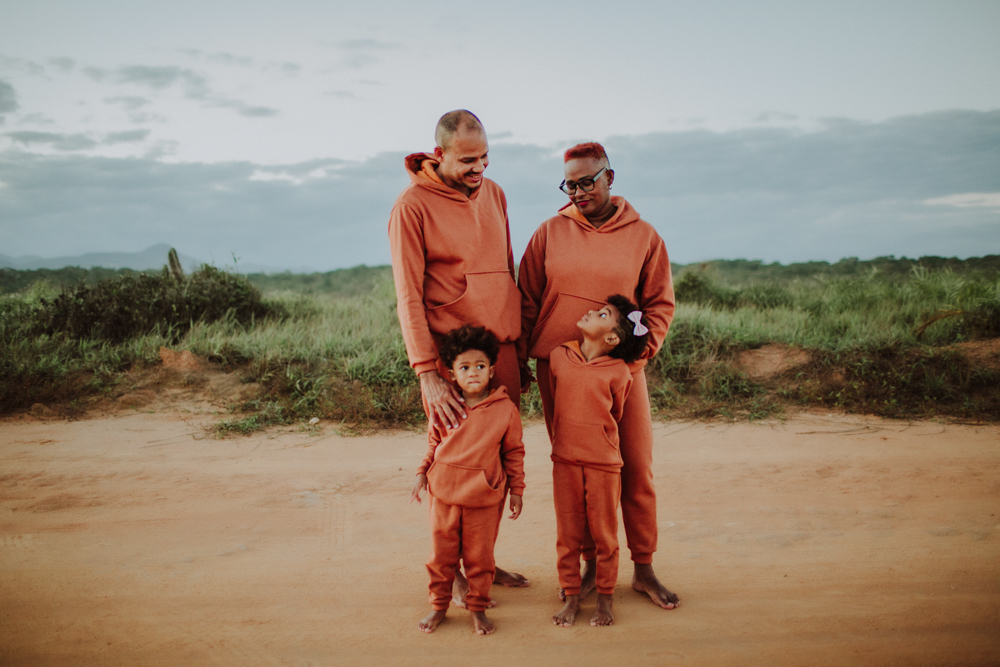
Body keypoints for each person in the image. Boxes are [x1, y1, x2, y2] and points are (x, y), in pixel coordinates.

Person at [518, 142, 680, 610]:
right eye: (570, 184)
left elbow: (658, 305)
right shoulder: (549, 232)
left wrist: (635, 359)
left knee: (634, 465)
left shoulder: (644, 236)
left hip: (622, 373)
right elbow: (527, 298)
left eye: (588, 181)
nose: (579, 191)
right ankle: (591, 566)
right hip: (560, 372)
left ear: (610, 177)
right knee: (578, 472)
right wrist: (523, 362)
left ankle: (643, 567)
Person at [389, 110, 529, 600]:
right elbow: (408, 294)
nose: (480, 168)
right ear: (439, 154)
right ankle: (454, 573)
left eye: (486, 157)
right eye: (468, 160)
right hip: (454, 362)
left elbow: (506, 269)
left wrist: (521, 347)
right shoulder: (411, 206)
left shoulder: (495, 194)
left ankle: (482, 563)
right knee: (454, 467)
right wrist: (427, 371)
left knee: (492, 466)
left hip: (502, 352)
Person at [410, 325, 525, 635]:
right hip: (444, 495)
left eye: (480, 366)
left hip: (484, 498)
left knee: (479, 559)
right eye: (464, 367)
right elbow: (433, 445)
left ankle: (477, 608)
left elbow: (514, 452)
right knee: (441, 557)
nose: (472, 372)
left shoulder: (505, 410)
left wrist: (517, 489)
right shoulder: (445, 406)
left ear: (491, 371)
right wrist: (421, 473)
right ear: (452, 374)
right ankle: (438, 607)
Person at [550, 295, 651, 628]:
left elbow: (616, 412)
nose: (592, 311)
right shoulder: (559, 357)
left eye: (603, 313)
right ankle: (572, 596)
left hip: (604, 465)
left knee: (605, 535)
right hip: (564, 461)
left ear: (612, 338)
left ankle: (605, 600)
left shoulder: (620, 372)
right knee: (568, 534)